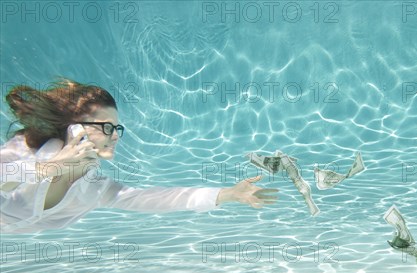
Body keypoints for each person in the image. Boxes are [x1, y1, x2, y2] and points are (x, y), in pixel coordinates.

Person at [0, 79, 278, 234]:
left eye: (117, 127)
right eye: (107, 127)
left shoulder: (94, 189)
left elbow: (154, 198)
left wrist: (226, 194)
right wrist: (46, 168)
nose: (117, 135)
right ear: (75, 129)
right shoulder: (27, 150)